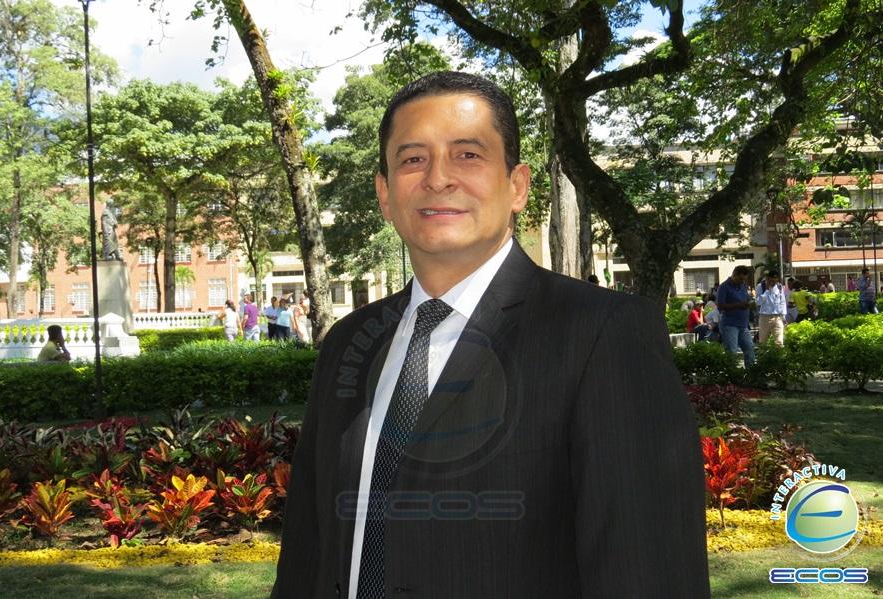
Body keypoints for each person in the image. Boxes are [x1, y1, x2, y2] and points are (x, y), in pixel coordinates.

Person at [271, 71, 708, 599]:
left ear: (517, 185)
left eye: (468, 155)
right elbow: (309, 544)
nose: (438, 178)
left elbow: (648, 567)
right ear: (385, 194)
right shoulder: (349, 342)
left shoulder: (602, 334)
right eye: (413, 159)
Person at [716, 265, 756, 366]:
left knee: (750, 349)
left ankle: (751, 373)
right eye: (740, 279)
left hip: (743, 325)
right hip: (729, 324)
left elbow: (746, 299)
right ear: (734, 275)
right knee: (732, 352)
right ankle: (732, 373)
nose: (742, 281)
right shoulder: (724, 287)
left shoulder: (742, 286)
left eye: (744, 279)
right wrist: (739, 305)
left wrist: (750, 303)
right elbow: (720, 306)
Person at [755, 269, 786, 346]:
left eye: (775, 281)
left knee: (779, 342)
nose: (773, 283)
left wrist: (784, 317)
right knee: (763, 342)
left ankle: (779, 354)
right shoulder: (760, 286)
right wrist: (767, 290)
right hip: (765, 317)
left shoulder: (779, 287)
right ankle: (763, 353)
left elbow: (782, 302)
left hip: (777, 317)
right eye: (771, 280)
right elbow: (758, 302)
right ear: (767, 278)